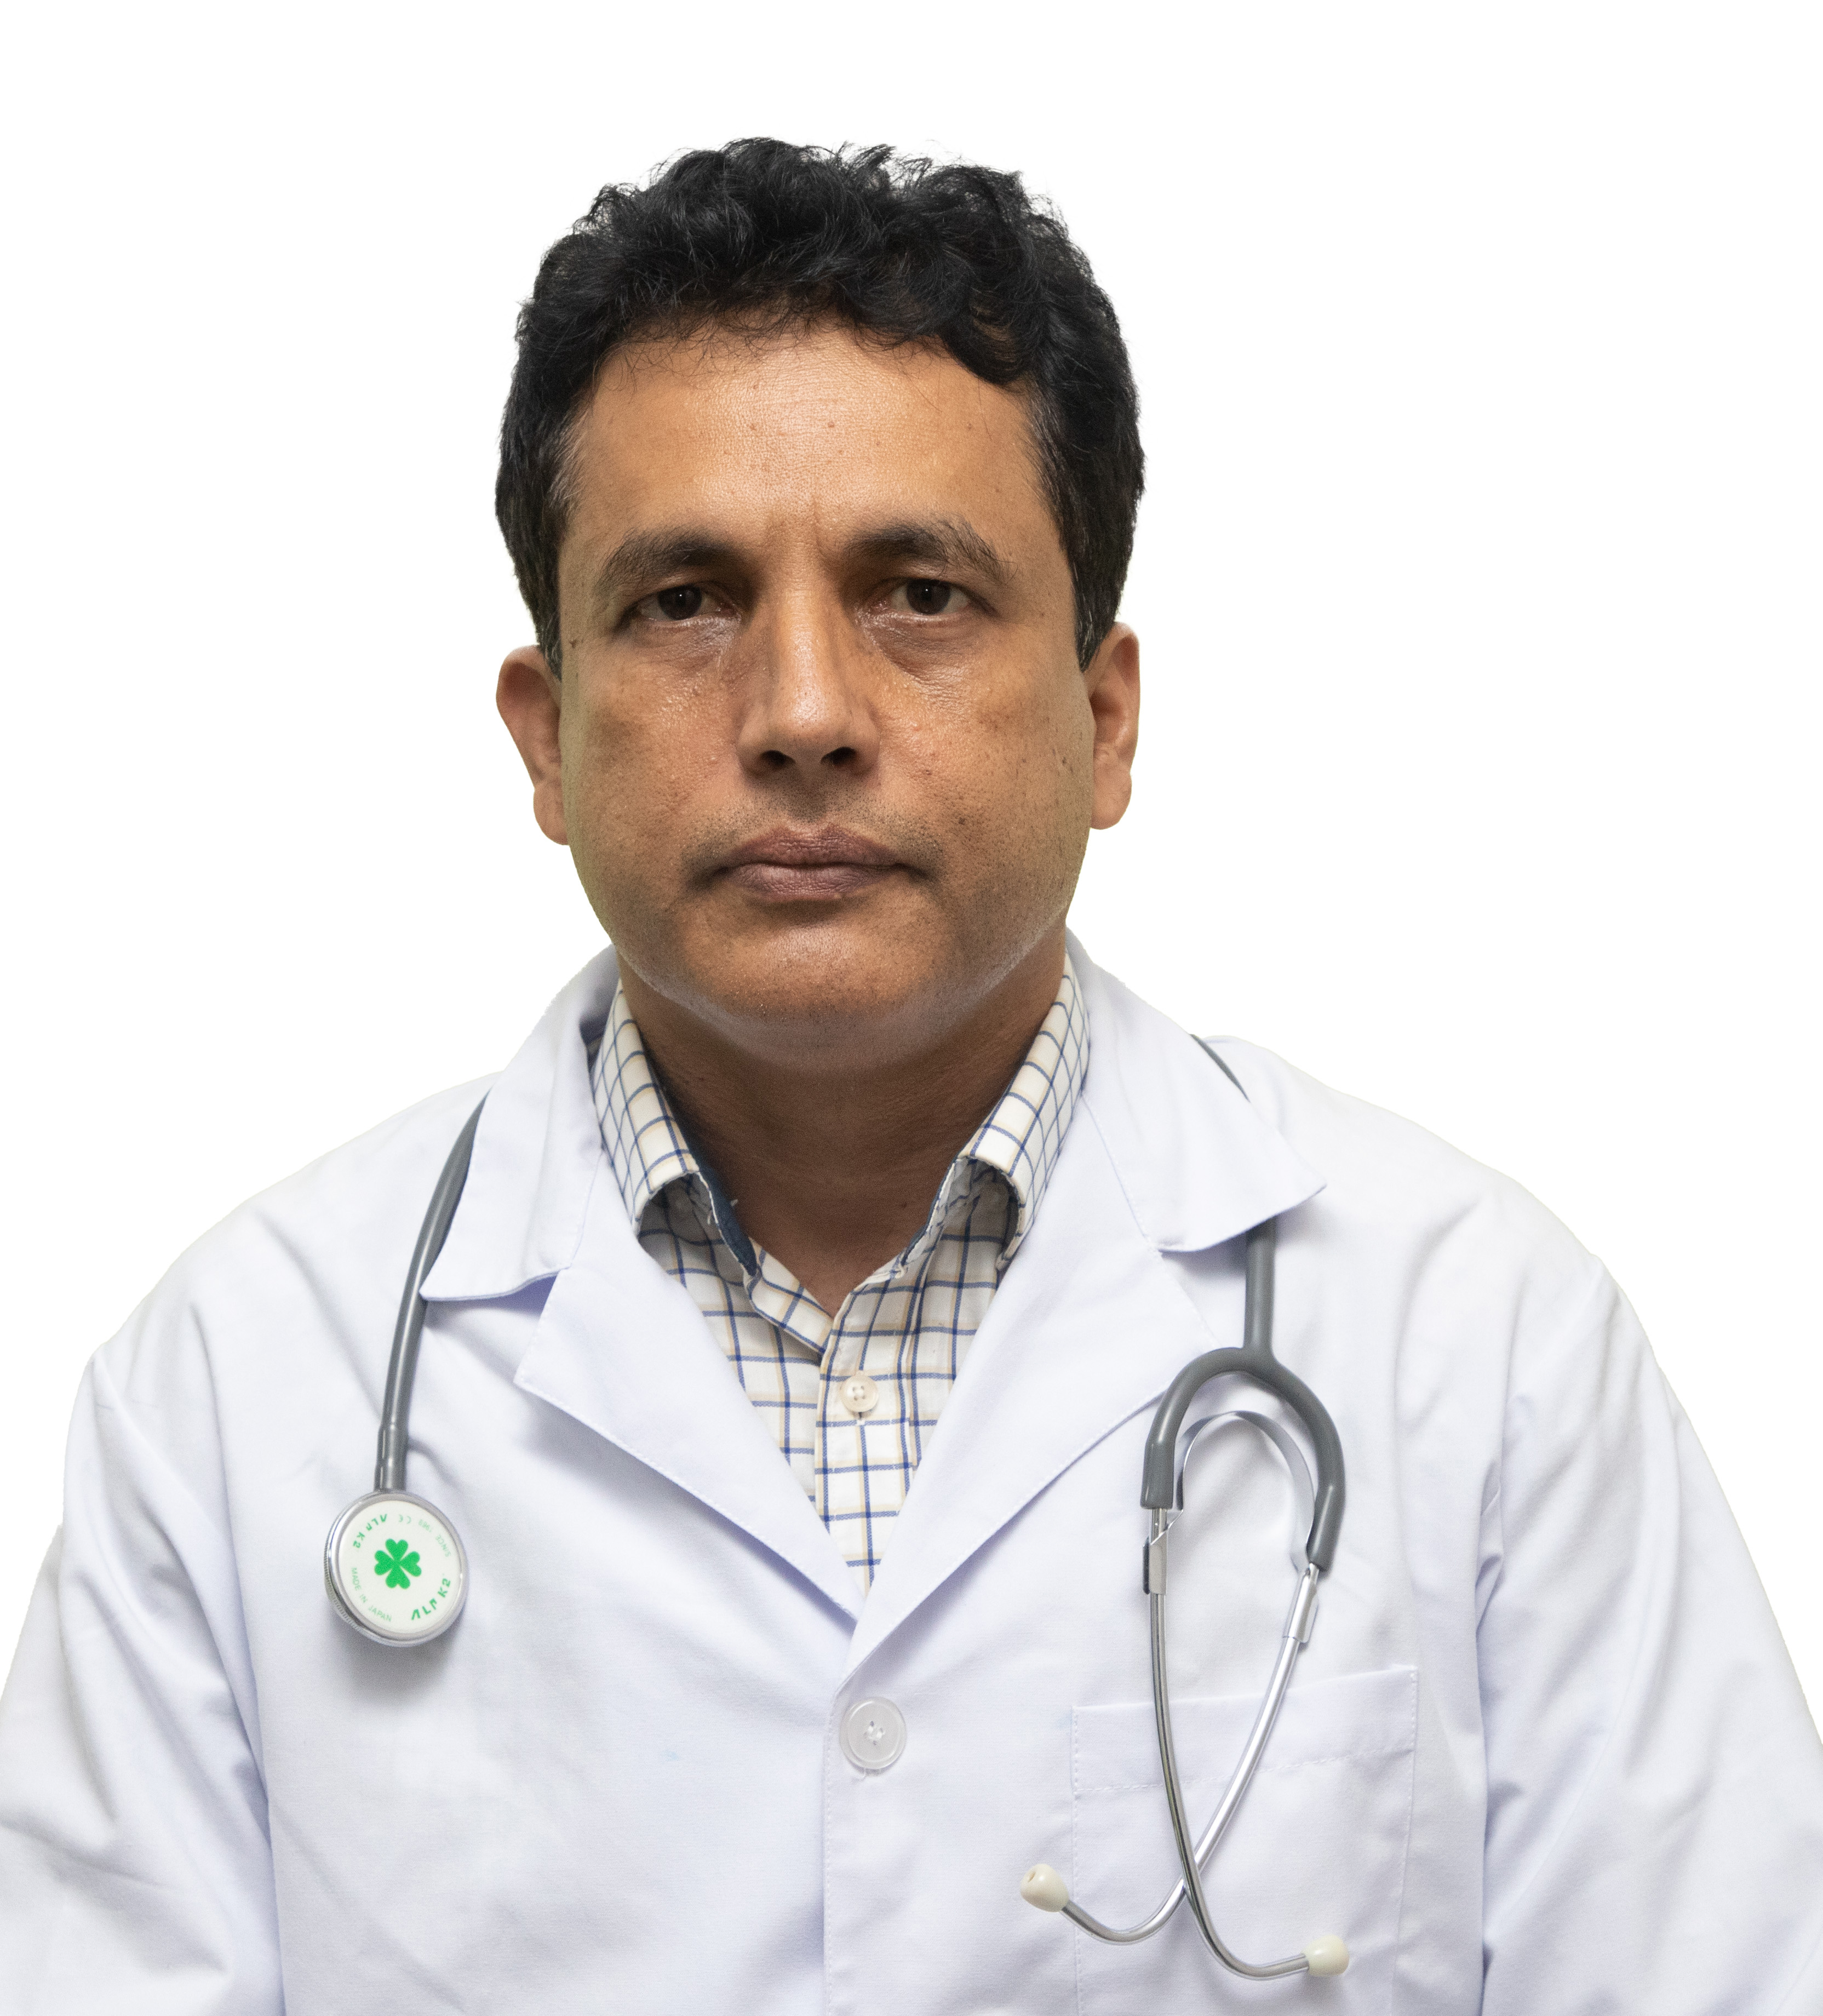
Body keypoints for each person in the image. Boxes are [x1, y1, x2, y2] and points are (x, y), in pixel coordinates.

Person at [1, 138, 1818, 2015]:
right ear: (546, 738)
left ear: (1104, 718)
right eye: (685, 600)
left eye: (922, 593)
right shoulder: (233, 1389)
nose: (802, 714)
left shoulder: (1481, 1342)